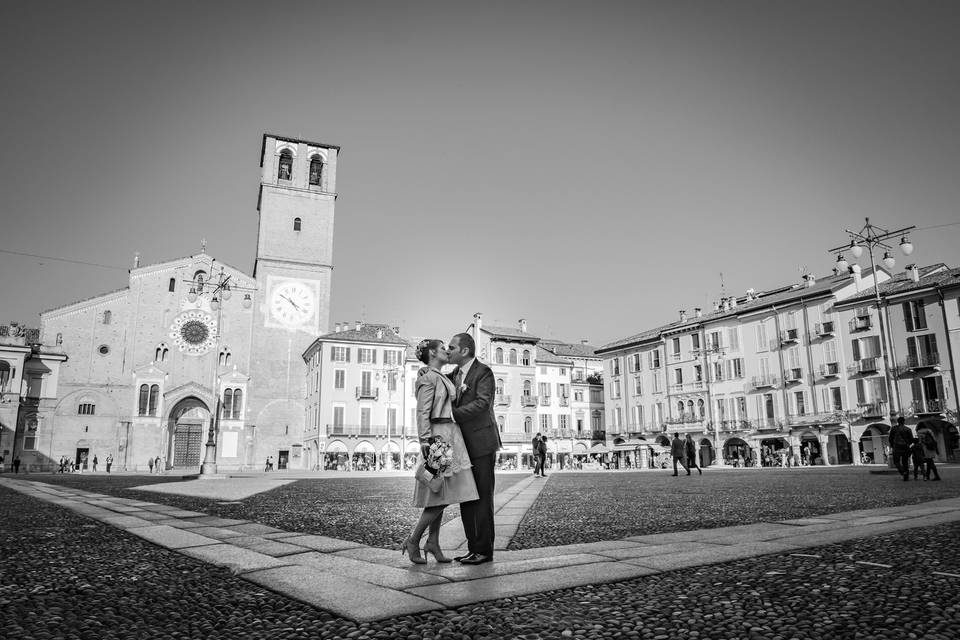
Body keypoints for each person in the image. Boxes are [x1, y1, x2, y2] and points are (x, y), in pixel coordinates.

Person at [401, 339, 478, 565]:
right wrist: (424, 440)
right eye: (443, 348)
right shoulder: (428, 378)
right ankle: (414, 539)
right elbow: (422, 410)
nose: (446, 351)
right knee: (441, 494)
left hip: (448, 436)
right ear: (433, 352)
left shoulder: (440, 376)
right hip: (438, 438)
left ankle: (433, 542)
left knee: (440, 494)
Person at [448, 332, 501, 566]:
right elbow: (440, 385)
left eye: (452, 347)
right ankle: (472, 548)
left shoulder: (483, 372)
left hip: (481, 444)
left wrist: (453, 414)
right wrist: (425, 372)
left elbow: (482, 403)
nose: (448, 351)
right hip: (462, 446)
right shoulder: (454, 375)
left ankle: (484, 550)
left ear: (465, 351)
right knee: (466, 499)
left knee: (482, 499)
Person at [888, 417, 914, 482]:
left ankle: (902, 472)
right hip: (905, 447)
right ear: (904, 421)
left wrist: (892, 445)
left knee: (896, 461)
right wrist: (908, 444)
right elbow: (911, 439)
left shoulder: (894, 429)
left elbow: (890, 438)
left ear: (898, 422)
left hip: (896, 447)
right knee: (905, 462)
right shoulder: (908, 429)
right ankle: (906, 476)